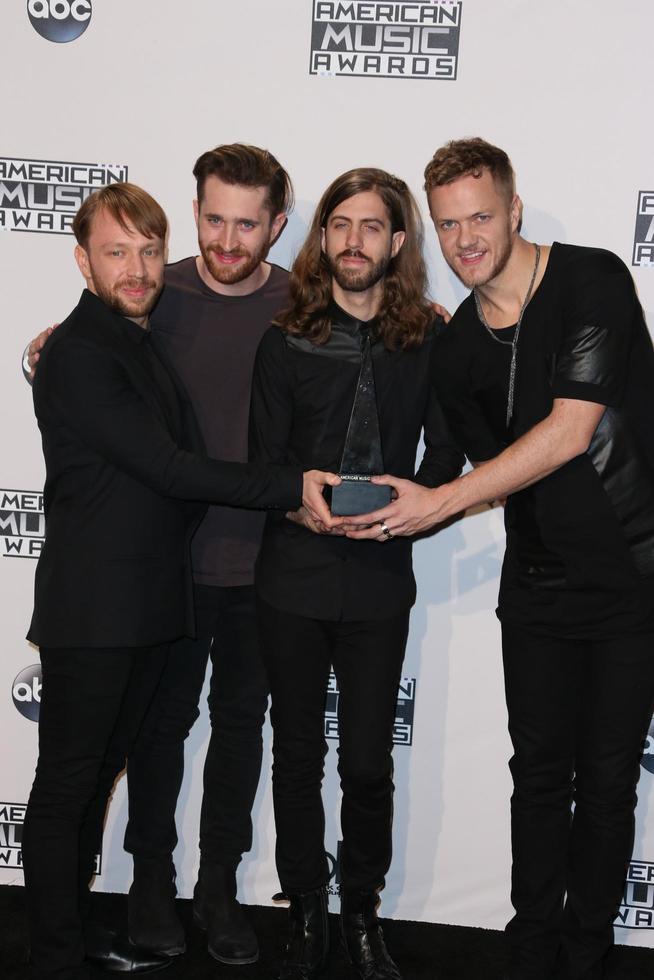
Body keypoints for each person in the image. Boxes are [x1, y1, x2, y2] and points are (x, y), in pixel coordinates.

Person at [346, 138, 654, 980]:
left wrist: (441, 500)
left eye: (480, 216)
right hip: (537, 586)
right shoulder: (458, 351)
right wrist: (375, 500)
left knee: (610, 782)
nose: (465, 239)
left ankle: (587, 952)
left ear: (515, 211)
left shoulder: (591, 280)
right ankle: (530, 947)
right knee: (539, 778)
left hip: (634, 576)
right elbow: (447, 468)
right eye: (447, 224)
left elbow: (569, 430)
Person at [22, 181, 336, 980]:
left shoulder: (130, 338)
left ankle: (77, 929)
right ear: (82, 260)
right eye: (116, 251)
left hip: (144, 601)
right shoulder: (86, 351)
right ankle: (51, 952)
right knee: (68, 785)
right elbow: (166, 466)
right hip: (94, 609)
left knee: (96, 773)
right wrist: (287, 486)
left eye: (148, 250)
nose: (136, 267)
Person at [248, 167, 464, 980]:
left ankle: (363, 912)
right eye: (339, 224)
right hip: (293, 578)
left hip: (380, 579)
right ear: (321, 238)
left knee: (368, 761)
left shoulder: (428, 338)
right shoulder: (285, 338)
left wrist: (419, 499)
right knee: (297, 753)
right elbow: (264, 464)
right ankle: (307, 910)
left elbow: (446, 454)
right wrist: (297, 506)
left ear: (398, 242)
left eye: (371, 226)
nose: (352, 241)